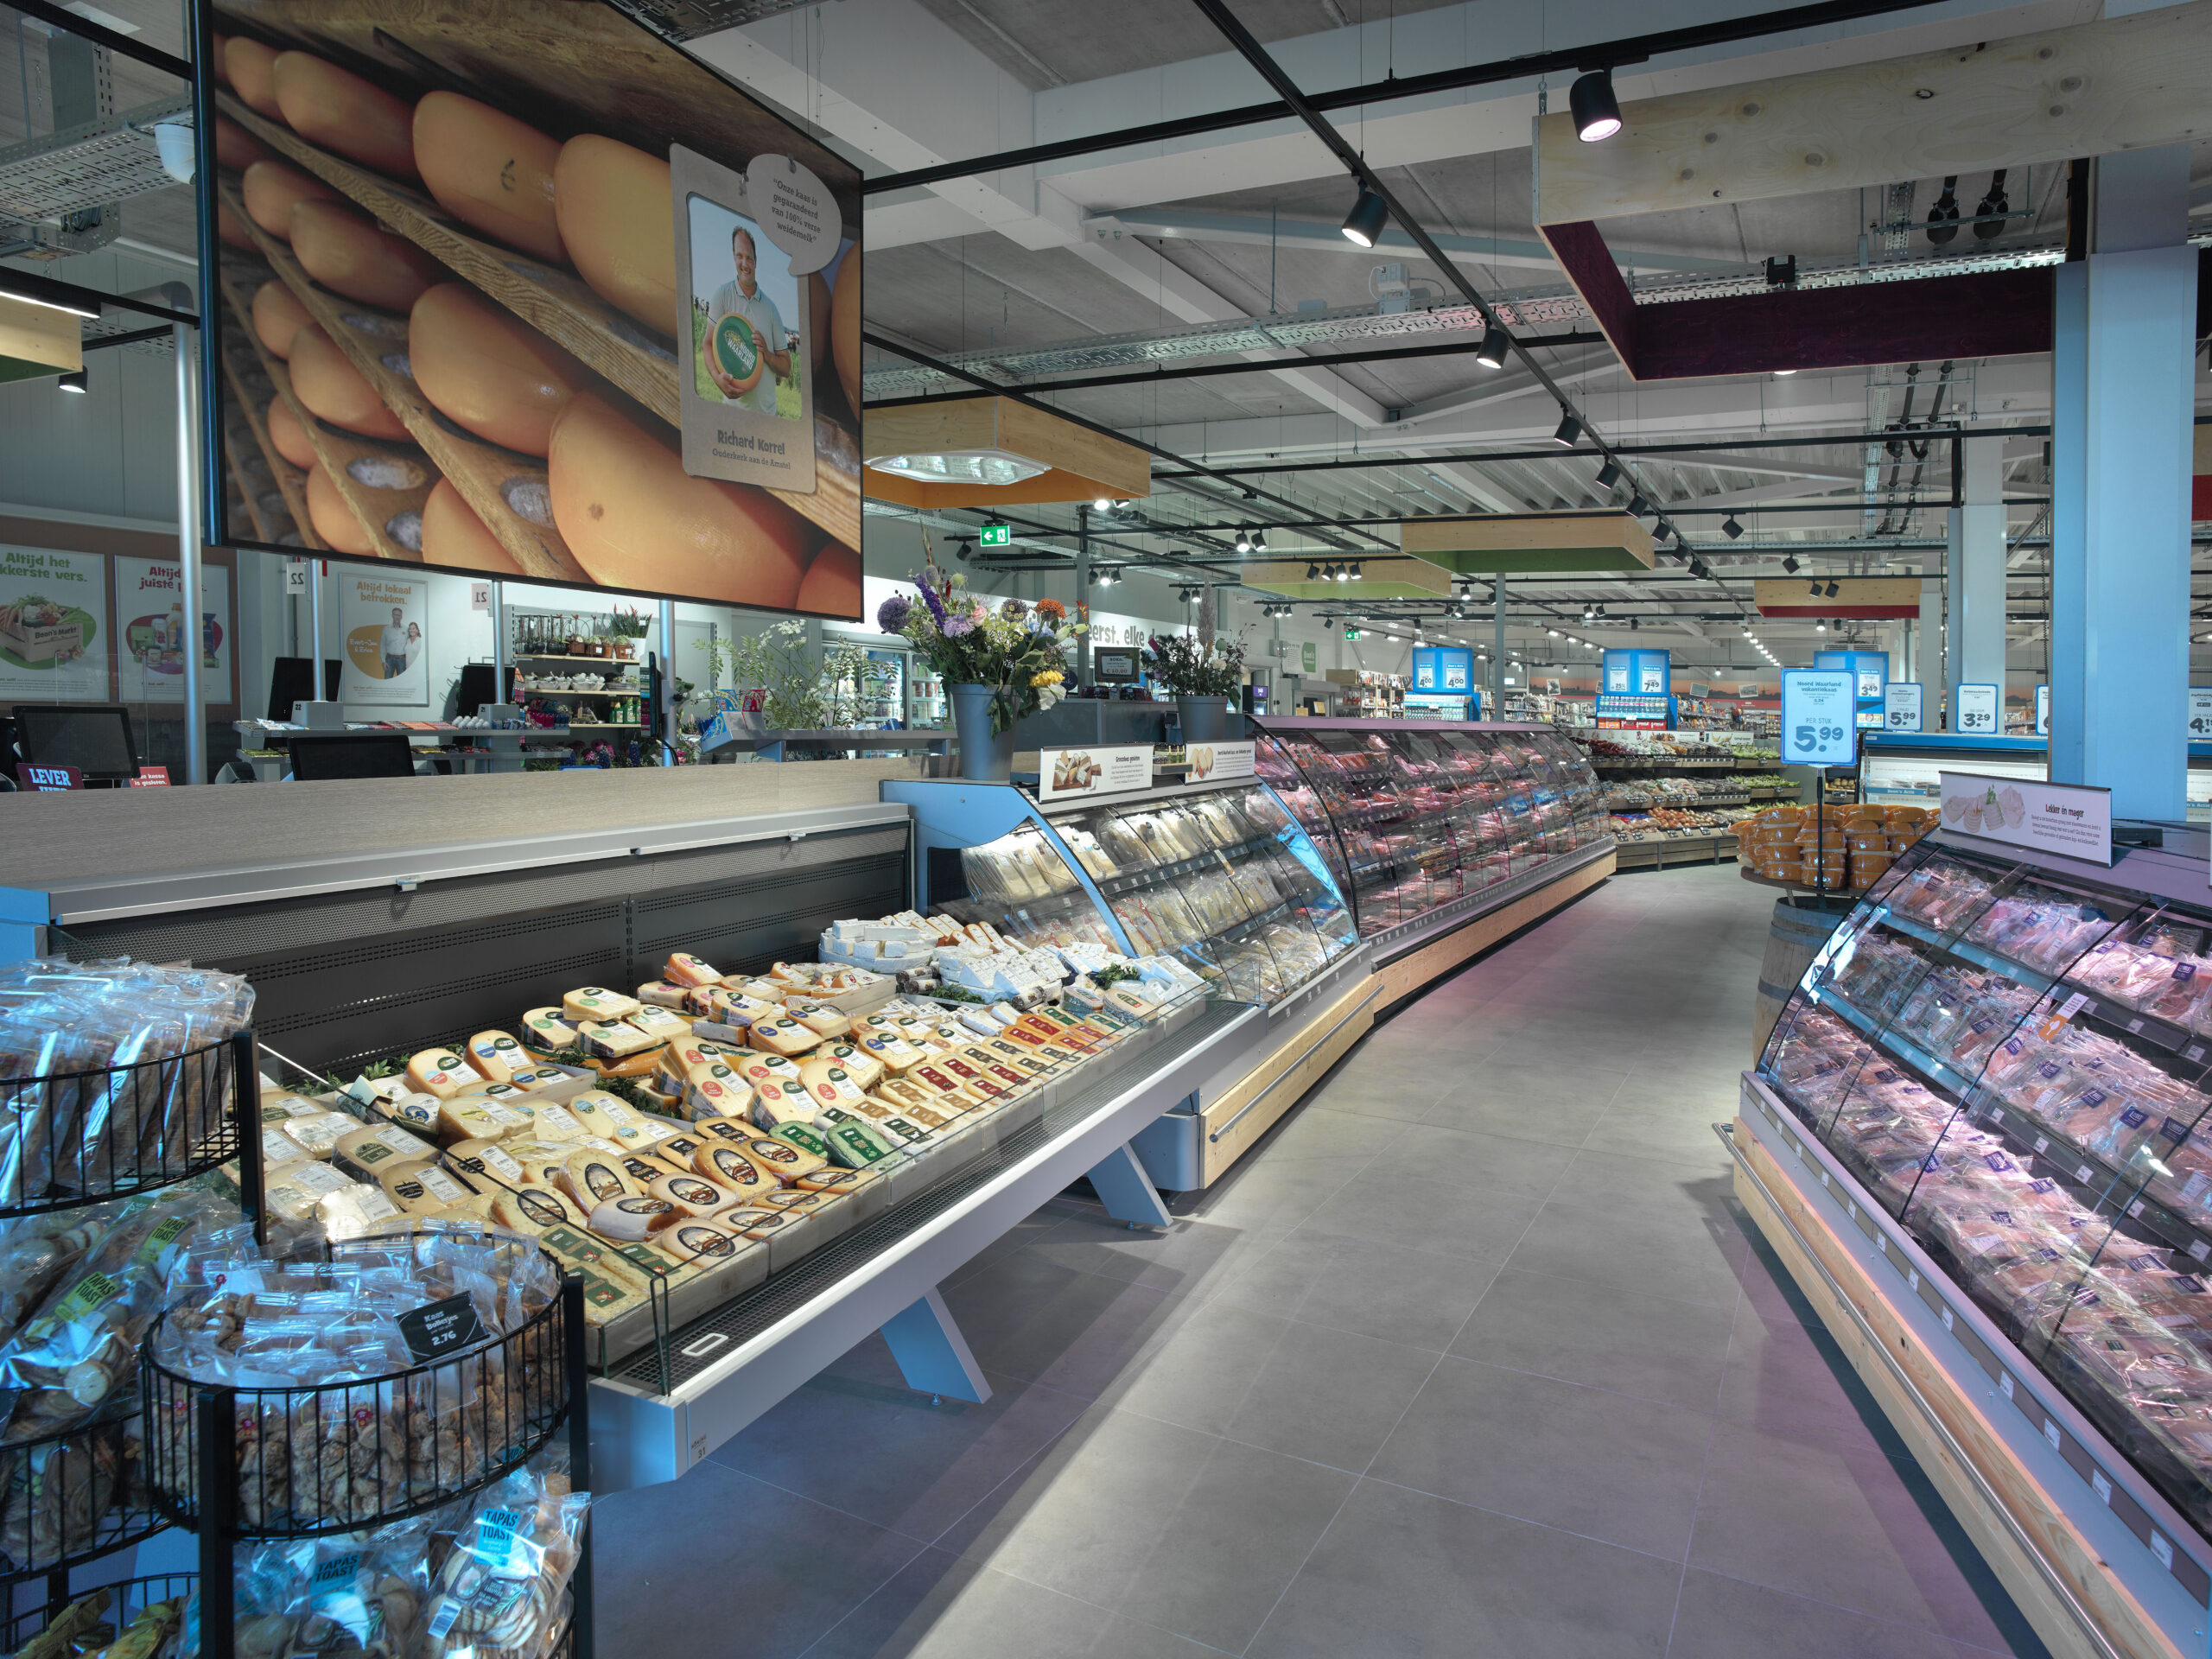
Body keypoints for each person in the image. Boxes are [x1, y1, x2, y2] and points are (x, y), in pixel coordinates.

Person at [704, 225, 792, 415]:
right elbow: (708, 344)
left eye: (749, 258)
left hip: (768, 417)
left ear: (756, 261)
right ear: (733, 257)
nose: (744, 263)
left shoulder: (771, 309)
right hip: (733, 416)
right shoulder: (722, 295)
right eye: (739, 256)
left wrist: (767, 354)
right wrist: (716, 378)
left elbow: (786, 368)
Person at [380, 607, 409, 679]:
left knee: (402, 681)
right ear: (392, 615)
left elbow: (410, 645)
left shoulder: (406, 629)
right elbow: (382, 645)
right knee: (387, 681)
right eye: (395, 615)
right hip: (389, 660)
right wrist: (383, 661)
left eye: (399, 615)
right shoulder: (386, 629)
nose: (397, 617)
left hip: (402, 660)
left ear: (401, 617)